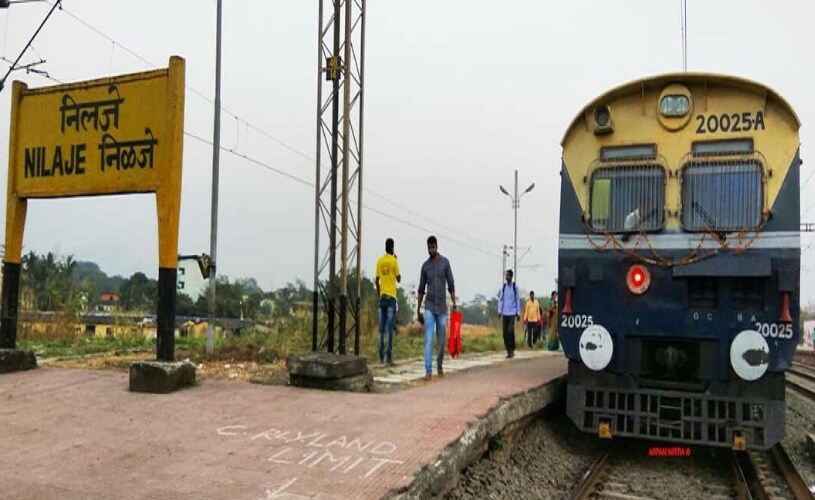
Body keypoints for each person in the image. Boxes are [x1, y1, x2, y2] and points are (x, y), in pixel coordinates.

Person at [417, 235, 456, 381]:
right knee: (428, 339)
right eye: (428, 248)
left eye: (432, 247)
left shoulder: (445, 263)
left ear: (437, 247)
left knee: (440, 340)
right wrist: (418, 309)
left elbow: (451, 284)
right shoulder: (425, 266)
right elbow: (421, 289)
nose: (431, 250)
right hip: (429, 306)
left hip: (442, 308)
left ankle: (439, 365)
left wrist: (454, 303)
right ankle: (428, 371)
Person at [375, 238, 401, 365]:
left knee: (381, 329)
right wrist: (396, 260)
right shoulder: (393, 261)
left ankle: (380, 357)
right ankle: (389, 358)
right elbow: (399, 279)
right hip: (391, 298)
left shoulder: (380, 261)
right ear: (392, 247)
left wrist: (379, 294)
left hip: (382, 297)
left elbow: (377, 280)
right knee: (390, 329)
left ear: (385, 247)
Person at [498, 269, 521, 358]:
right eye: (505, 276)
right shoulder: (503, 287)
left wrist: (518, 313)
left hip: (512, 313)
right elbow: (501, 300)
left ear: (511, 276)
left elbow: (517, 300)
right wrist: (499, 311)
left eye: (507, 275)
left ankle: (512, 348)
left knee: (510, 331)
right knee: (505, 333)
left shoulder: (515, 287)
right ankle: (508, 350)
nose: (506, 277)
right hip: (505, 312)